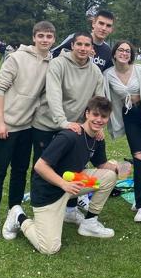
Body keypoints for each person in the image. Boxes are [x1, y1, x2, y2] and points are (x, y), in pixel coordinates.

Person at [2, 97, 118, 254]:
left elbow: (102, 165)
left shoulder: (97, 138)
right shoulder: (69, 136)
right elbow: (40, 167)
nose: (99, 120)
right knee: (49, 248)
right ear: (87, 114)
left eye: (103, 117)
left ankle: (89, 223)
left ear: (108, 118)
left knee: (109, 176)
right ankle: (18, 216)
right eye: (95, 115)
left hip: (72, 184)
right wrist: (63, 184)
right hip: (48, 192)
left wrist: (119, 168)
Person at [0, 21, 55, 241]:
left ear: (53, 40)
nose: (45, 40)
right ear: (34, 37)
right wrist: (0, 120)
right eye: (41, 36)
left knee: (20, 171)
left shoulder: (52, 62)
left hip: (27, 127)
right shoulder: (17, 58)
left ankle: (14, 212)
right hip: (5, 126)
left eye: (49, 37)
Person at [31, 31, 105, 224]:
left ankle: (70, 210)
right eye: (78, 44)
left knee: (74, 167)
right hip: (48, 124)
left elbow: (99, 101)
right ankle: (40, 207)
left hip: (75, 128)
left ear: (92, 49)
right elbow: (54, 95)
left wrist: (97, 126)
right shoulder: (58, 64)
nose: (82, 48)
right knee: (43, 167)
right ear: (72, 45)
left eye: (86, 45)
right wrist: (62, 122)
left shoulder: (95, 72)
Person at [104, 40, 141, 222]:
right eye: (120, 50)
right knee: (138, 157)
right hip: (130, 117)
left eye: (128, 51)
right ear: (114, 53)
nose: (124, 53)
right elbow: (103, 96)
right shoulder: (108, 75)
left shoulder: (140, 70)